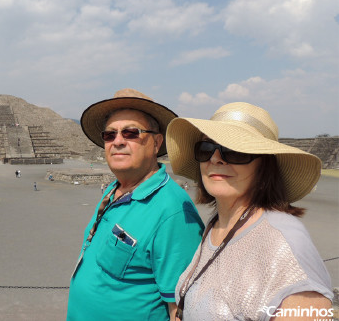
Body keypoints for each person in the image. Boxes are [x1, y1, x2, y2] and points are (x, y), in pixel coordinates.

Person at [165, 102, 333, 320]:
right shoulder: (219, 224)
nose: (216, 158)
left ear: (264, 166)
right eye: (206, 149)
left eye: (235, 151)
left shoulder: (284, 241)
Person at [67, 89, 204, 321]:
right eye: (109, 135)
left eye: (131, 133)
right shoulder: (114, 190)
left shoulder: (174, 212)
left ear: (156, 142)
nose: (118, 141)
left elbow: (181, 310)